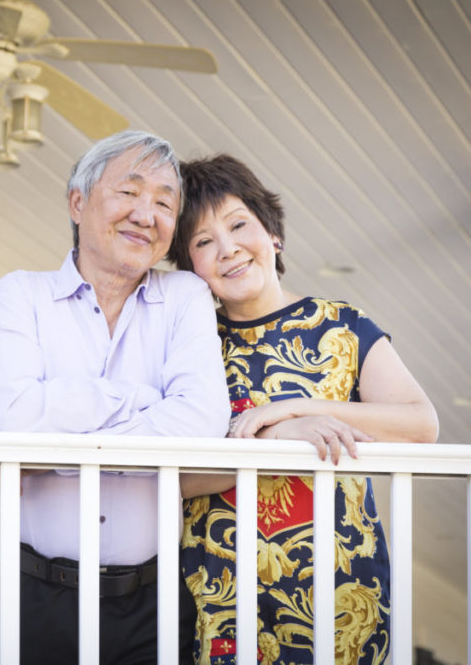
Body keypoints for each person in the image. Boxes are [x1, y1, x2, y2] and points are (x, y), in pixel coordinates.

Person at [168, 154, 439, 665]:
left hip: (342, 592)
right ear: (191, 268)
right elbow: (174, 475)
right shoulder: (187, 341)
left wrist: (297, 408)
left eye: (238, 225)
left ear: (273, 233)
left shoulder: (343, 325)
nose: (227, 250)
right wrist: (278, 437)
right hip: (221, 592)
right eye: (203, 242)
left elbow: (421, 425)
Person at [0, 130, 231, 664]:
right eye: (129, 192)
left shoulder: (185, 296)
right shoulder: (18, 295)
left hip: (152, 602)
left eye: (165, 202)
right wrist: (141, 402)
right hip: (37, 594)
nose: (147, 214)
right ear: (77, 201)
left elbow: (203, 419)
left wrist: (61, 453)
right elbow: (19, 421)